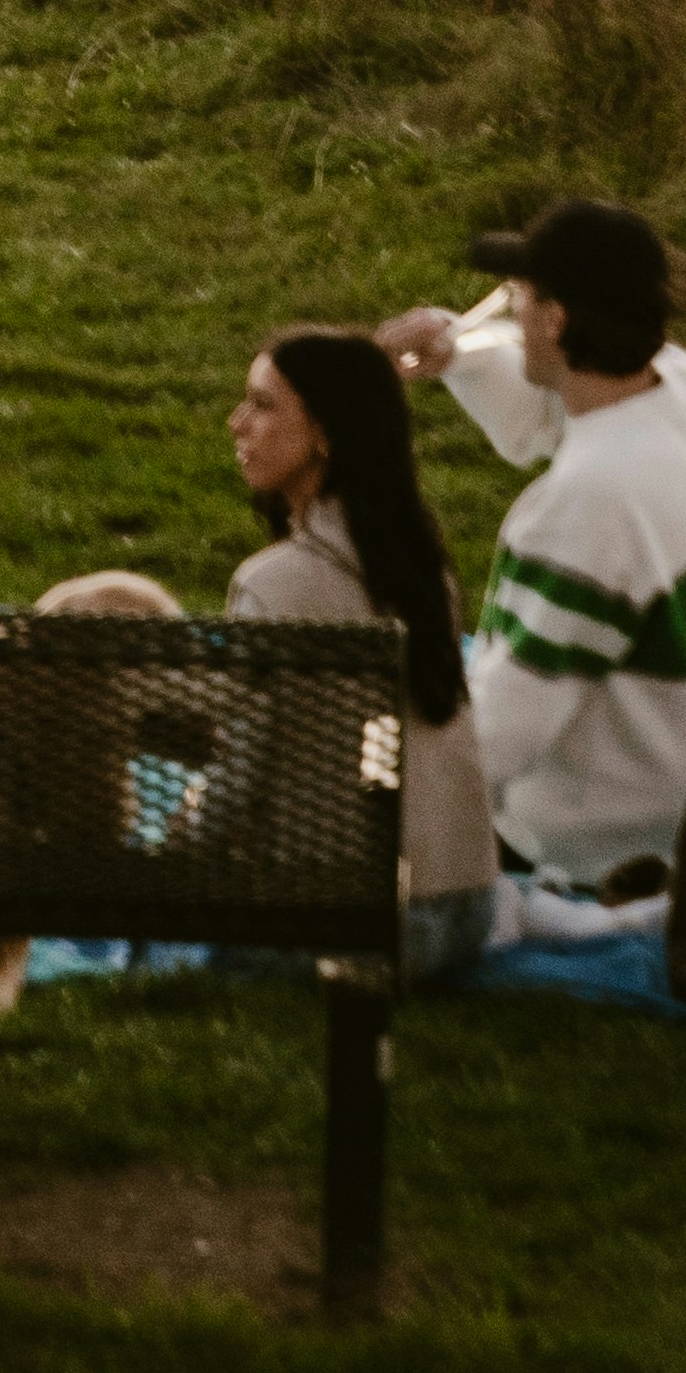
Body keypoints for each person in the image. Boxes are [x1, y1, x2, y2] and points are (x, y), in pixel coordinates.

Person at [380, 205, 686, 894]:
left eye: (518, 298)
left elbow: (496, 742)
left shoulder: (583, 508)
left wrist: (368, 779)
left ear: (556, 320)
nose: (510, 311)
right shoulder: (682, 386)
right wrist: (459, 349)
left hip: (624, 832)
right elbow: (543, 411)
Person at [222, 328, 499, 978]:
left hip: (354, 930)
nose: (237, 423)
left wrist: (158, 857)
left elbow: (237, 774)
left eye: (262, 406)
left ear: (325, 434)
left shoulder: (271, 584)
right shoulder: (426, 570)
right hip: (468, 910)